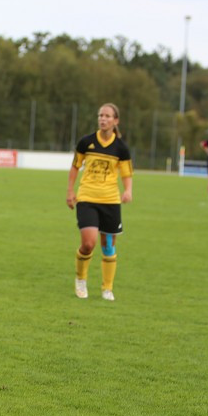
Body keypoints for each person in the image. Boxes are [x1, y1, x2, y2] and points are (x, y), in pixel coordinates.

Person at [66, 103, 133, 302]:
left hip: (111, 201)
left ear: (115, 121)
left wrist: (128, 190)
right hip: (87, 198)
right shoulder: (86, 142)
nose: (103, 119)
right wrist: (70, 191)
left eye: (107, 116)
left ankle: (107, 288)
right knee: (88, 244)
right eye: (100, 115)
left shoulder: (121, 148)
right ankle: (81, 279)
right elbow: (75, 167)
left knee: (108, 246)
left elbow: (127, 173)